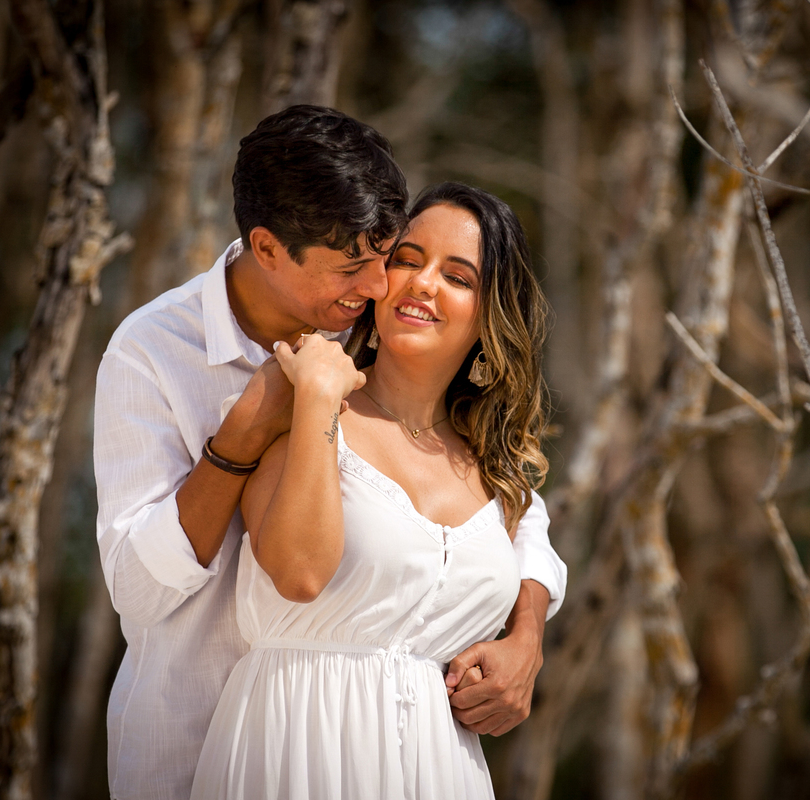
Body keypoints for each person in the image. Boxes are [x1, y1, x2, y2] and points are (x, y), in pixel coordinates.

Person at [94, 108, 567, 799]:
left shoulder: (365, 333)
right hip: (205, 741)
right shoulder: (154, 352)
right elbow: (139, 590)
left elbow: (516, 520)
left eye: (387, 255)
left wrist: (526, 636)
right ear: (267, 248)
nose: (383, 286)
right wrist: (239, 442)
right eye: (358, 266)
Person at [191, 182, 551, 799]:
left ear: (489, 319)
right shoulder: (297, 399)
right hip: (297, 753)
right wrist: (319, 401)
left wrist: (527, 640)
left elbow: (536, 546)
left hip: (442, 773)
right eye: (407, 260)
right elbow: (299, 571)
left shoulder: (498, 470)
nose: (421, 283)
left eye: (458, 277)